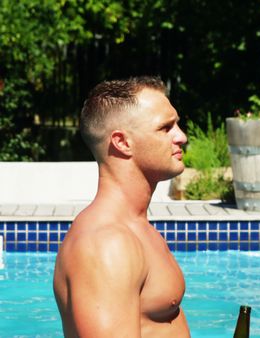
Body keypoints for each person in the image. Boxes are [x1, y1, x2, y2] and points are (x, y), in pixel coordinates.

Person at [53, 76, 190, 336]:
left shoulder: (136, 227)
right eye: (165, 128)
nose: (181, 137)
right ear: (122, 142)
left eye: (177, 125)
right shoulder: (106, 244)